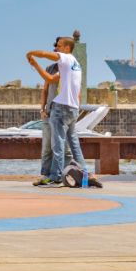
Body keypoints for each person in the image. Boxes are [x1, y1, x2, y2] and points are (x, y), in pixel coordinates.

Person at [26, 36, 86, 187]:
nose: (56, 48)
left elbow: (46, 55)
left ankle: (55, 176)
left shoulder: (65, 58)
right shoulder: (77, 65)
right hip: (73, 108)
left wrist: (32, 55)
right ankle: (84, 174)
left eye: (59, 46)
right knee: (74, 144)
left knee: (57, 144)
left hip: (61, 107)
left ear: (67, 48)